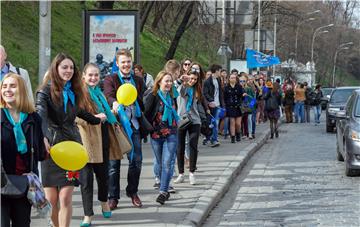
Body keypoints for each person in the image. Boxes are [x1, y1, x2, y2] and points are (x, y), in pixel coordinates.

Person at [36, 53, 104, 227]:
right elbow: (41, 115)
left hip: (72, 149)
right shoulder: (44, 91)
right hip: (50, 148)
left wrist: (97, 119)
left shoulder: (74, 91)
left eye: (71, 68)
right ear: (56, 69)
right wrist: (42, 136)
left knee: (66, 197)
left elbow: (79, 112)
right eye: (64, 67)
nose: (68, 71)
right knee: (51, 200)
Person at [1, 73, 47, 227]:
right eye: (4, 86)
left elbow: (40, 153)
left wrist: (46, 146)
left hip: (24, 184)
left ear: (21, 90)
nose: (7, 90)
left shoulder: (33, 118)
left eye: (12, 86)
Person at [103, 48, 146, 209]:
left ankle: (133, 192)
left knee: (136, 162)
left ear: (132, 62)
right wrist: (114, 102)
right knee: (113, 165)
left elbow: (143, 99)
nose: (126, 65)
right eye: (123, 62)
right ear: (117, 63)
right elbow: (107, 95)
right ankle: (113, 197)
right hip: (117, 127)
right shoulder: (110, 79)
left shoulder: (138, 80)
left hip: (134, 126)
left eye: (128, 62)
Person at [77, 63, 116, 226]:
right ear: (83, 76)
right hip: (85, 138)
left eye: (96, 75)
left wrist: (110, 115)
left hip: (103, 136)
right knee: (86, 180)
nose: (93, 78)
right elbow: (75, 117)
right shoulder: (79, 94)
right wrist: (94, 117)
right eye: (90, 75)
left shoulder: (99, 93)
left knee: (103, 176)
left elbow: (107, 114)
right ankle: (88, 215)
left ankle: (104, 201)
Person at [144, 71, 178, 205]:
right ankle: (161, 182)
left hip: (171, 133)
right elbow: (146, 114)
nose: (169, 83)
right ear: (159, 82)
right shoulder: (153, 96)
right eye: (166, 81)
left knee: (167, 163)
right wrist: (147, 130)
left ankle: (163, 191)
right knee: (159, 162)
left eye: (170, 81)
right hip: (156, 135)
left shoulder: (171, 96)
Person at [174, 70, 208, 185]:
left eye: (195, 79)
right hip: (182, 119)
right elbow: (181, 93)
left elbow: (199, 103)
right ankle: (181, 173)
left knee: (193, 145)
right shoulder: (181, 87)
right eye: (191, 78)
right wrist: (184, 81)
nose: (192, 81)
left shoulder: (197, 90)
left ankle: (192, 173)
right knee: (180, 147)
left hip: (194, 120)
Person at [203, 64, 224, 147]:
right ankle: (212, 139)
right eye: (220, 71)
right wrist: (211, 101)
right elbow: (205, 93)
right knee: (212, 122)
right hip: (211, 105)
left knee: (215, 122)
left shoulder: (218, 80)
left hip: (217, 104)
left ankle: (212, 138)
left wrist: (222, 104)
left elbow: (220, 93)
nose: (220, 73)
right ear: (216, 71)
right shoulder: (207, 81)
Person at [224, 72, 244, 143]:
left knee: (238, 124)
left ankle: (238, 134)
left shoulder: (239, 87)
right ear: (229, 79)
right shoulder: (226, 88)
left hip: (238, 107)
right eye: (231, 78)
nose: (233, 79)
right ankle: (233, 137)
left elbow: (242, 96)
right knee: (232, 122)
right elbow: (224, 98)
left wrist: (243, 95)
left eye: (234, 78)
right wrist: (225, 106)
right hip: (230, 107)